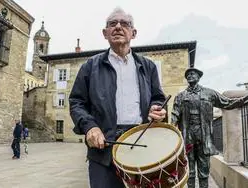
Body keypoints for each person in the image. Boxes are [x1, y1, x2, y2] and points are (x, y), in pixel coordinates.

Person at [69, 7, 167, 188]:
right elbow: (76, 102)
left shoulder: (148, 67)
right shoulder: (90, 66)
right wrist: (90, 127)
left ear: (133, 33)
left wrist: (157, 109)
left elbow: (158, 98)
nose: (118, 27)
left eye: (125, 24)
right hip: (103, 147)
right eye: (112, 24)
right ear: (105, 33)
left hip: (141, 143)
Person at [171, 67, 248, 188]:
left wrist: (244, 99)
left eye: (193, 74)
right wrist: (171, 131)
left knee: (204, 170)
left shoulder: (209, 93)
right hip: (188, 135)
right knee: (189, 171)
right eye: (188, 74)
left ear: (199, 77)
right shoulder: (180, 96)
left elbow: (227, 103)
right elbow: (175, 114)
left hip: (204, 135)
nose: (190, 76)